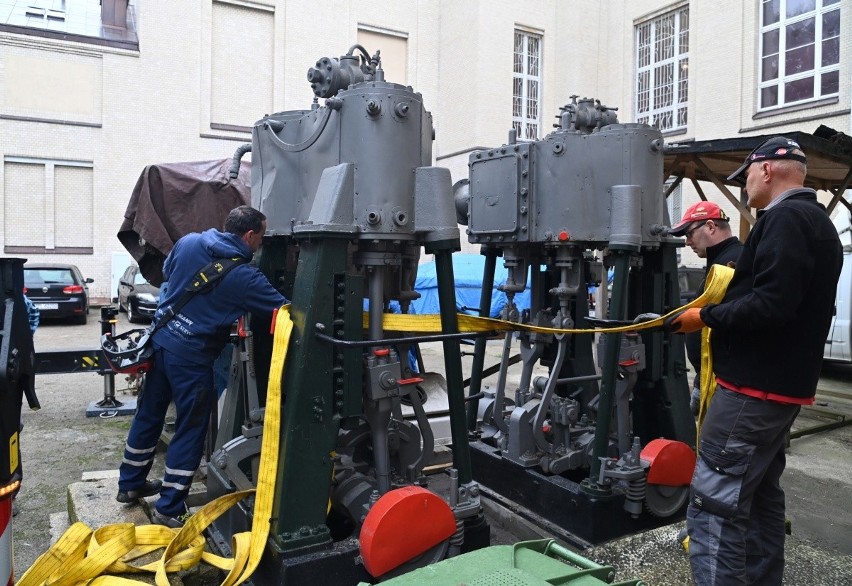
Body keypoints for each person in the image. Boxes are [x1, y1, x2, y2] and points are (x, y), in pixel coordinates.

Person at [666, 137, 843, 585]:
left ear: (767, 169)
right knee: (762, 497)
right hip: (781, 392)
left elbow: (770, 305)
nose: (743, 185)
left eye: (745, 175)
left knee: (714, 507)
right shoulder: (818, 222)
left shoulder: (784, 219)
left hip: (751, 393)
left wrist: (702, 317)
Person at [116, 205, 287, 528]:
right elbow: (286, 313)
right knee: (190, 430)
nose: (260, 245)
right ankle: (169, 508)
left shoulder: (189, 242)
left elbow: (169, 275)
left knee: (148, 416)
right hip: (191, 359)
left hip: (161, 342)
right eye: (260, 239)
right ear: (250, 235)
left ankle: (130, 484)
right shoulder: (245, 277)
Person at [668, 201, 743, 414]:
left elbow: (739, 315)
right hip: (710, 376)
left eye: (690, 233)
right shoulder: (719, 261)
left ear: (711, 227)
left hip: (726, 380)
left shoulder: (735, 262)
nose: (687, 241)